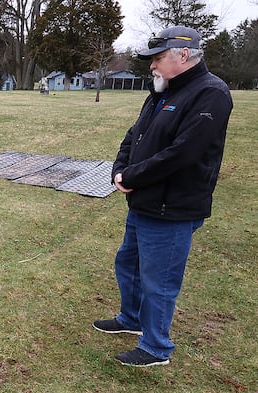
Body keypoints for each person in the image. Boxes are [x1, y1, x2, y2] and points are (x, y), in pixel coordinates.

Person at [93, 26, 233, 367]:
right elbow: (135, 134)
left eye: (157, 59)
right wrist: (119, 169)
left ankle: (156, 347)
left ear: (182, 55)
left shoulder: (211, 94)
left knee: (160, 281)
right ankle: (131, 318)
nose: (152, 66)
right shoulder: (162, 91)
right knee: (128, 264)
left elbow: (182, 154)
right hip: (144, 201)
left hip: (173, 207)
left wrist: (132, 176)